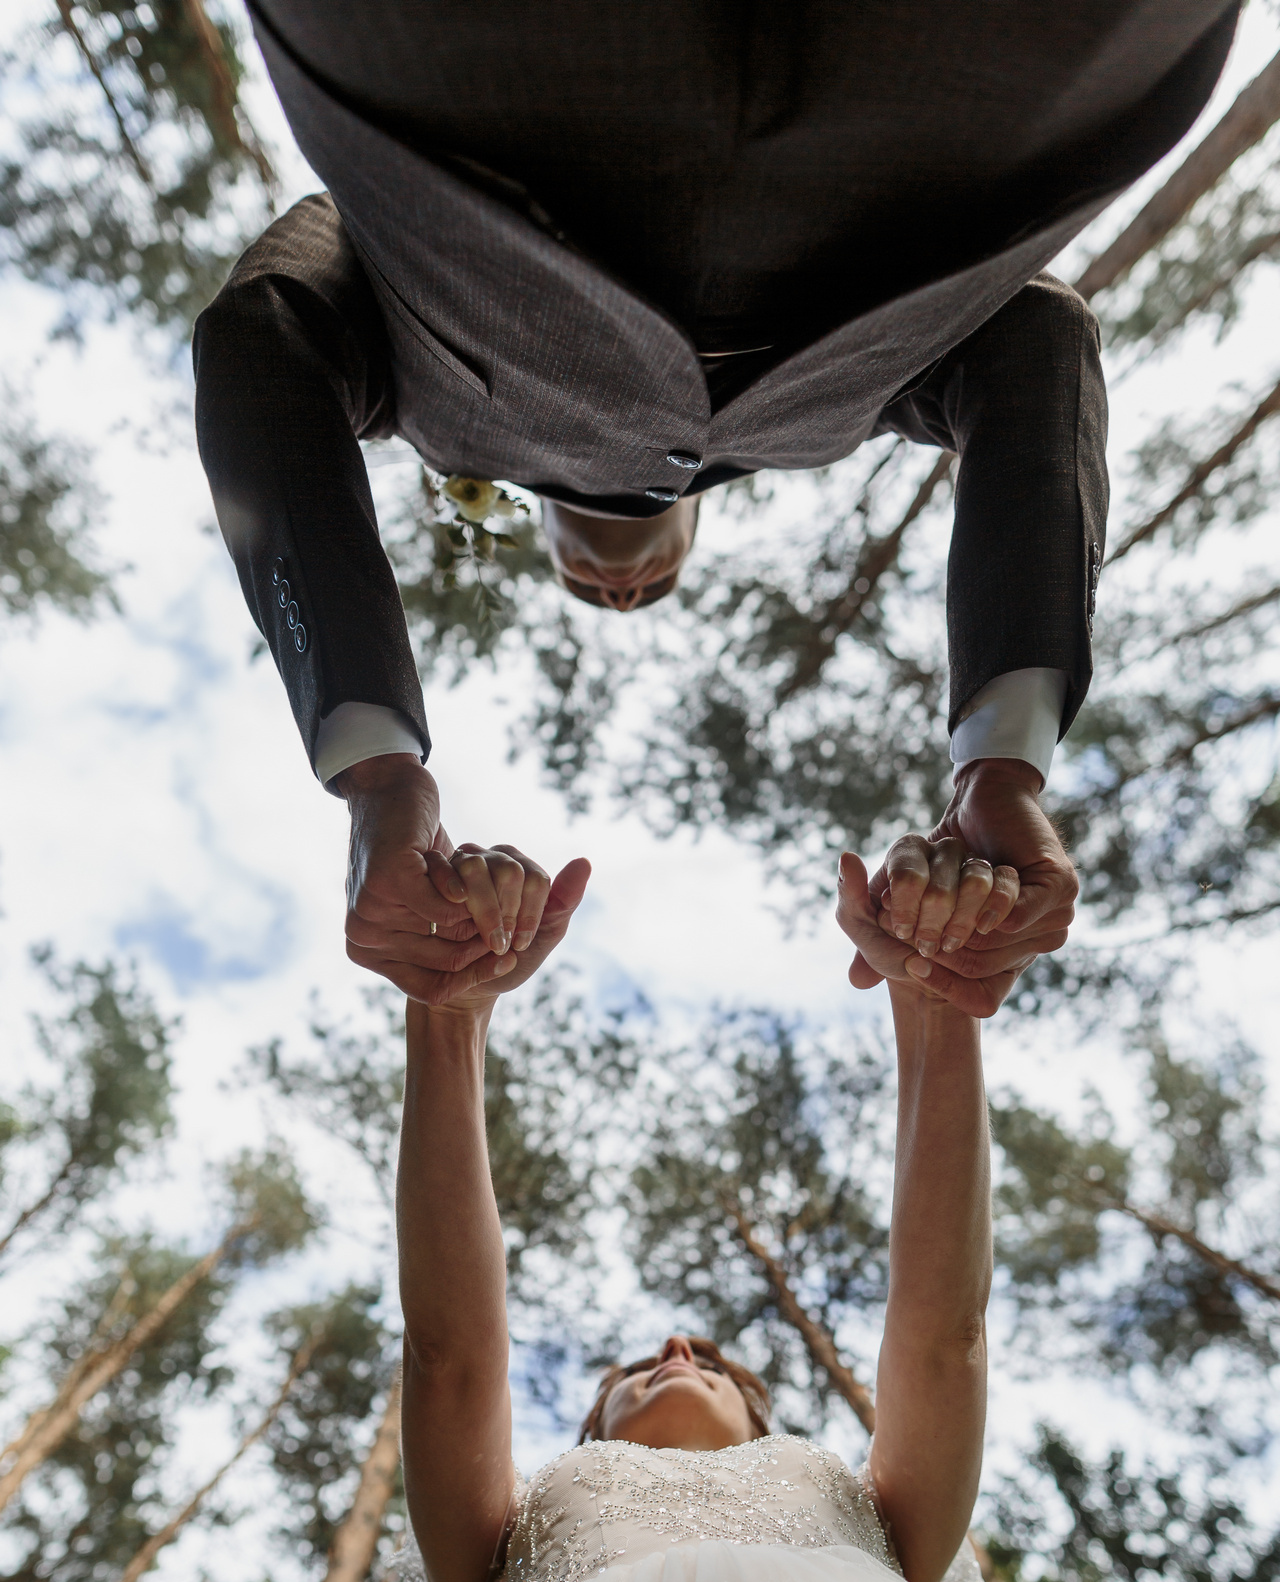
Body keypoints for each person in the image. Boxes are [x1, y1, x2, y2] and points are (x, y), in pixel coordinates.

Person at [286, 836, 1278, 1582]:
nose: (675, 1350)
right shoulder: (505, 1524)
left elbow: (943, 1330)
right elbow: (450, 1355)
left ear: (763, 1415)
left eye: (707, 1360)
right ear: (589, 1428)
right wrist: (447, 1021)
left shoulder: (877, 1507)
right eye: (640, 1365)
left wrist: (938, 1012)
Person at [193, 2, 1241, 1010]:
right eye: (648, 590)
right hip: (995, 91)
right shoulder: (846, 412)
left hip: (464, 79)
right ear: (703, 510)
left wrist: (376, 773)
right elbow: (1038, 339)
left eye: (588, 584)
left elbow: (260, 334)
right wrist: (1003, 765)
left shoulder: (417, 394)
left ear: (522, 515)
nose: (617, 588)